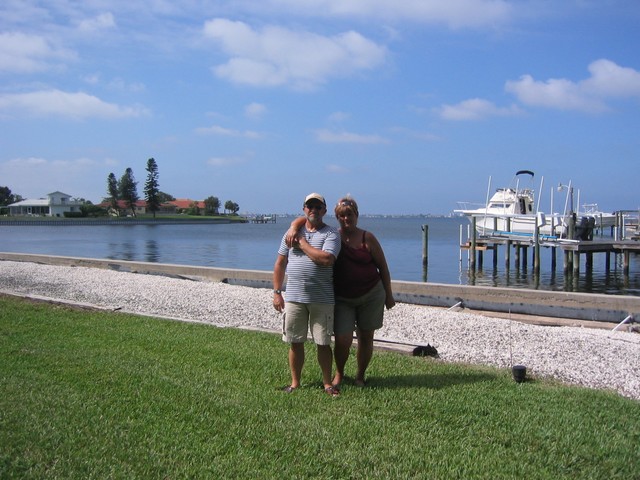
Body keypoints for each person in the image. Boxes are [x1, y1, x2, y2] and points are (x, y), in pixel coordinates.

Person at [287, 195, 395, 387]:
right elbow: (308, 218)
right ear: (336, 217)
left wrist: (389, 296)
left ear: (357, 215)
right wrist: (294, 226)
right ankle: (339, 373)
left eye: (350, 214)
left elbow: (383, 268)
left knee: (366, 337)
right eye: (342, 216)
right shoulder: (333, 236)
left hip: (371, 294)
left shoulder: (367, 238)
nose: (346, 219)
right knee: (343, 339)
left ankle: (360, 375)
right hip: (343, 297)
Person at [273, 193, 341, 396]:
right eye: (310, 206)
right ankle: (295, 383)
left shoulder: (331, 234)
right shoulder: (291, 232)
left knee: (323, 343)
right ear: (304, 209)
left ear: (324, 211)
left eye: (318, 207)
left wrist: (301, 243)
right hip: (294, 298)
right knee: (295, 341)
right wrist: (277, 292)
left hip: (322, 299)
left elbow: (326, 259)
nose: (314, 210)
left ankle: (327, 383)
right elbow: (280, 263)